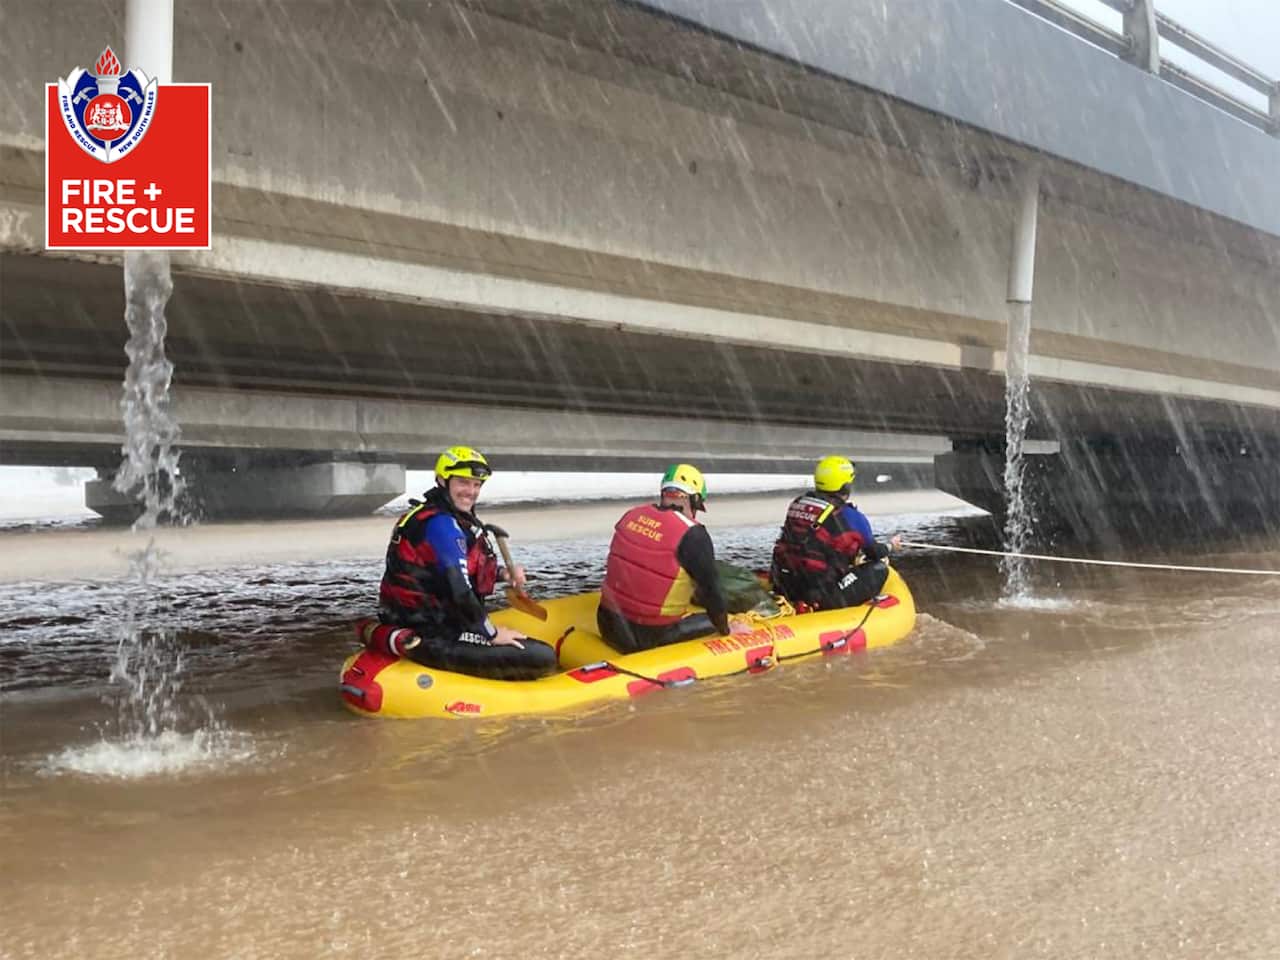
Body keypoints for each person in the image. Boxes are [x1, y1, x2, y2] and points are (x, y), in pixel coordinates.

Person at [372, 445, 557, 680]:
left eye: (476, 485)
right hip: (432, 633)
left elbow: (449, 570)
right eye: (463, 482)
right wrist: (491, 634)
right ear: (442, 480)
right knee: (543, 657)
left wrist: (502, 574)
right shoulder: (442, 525)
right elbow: (459, 588)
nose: (470, 491)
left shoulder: (438, 517)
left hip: (422, 620)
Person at [597, 463, 749, 653]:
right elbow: (712, 593)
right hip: (648, 637)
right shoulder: (694, 535)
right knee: (718, 618)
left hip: (607, 625)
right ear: (694, 500)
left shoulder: (631, 515)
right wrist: (726, 629)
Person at [770, 455, 902, 611]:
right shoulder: (851, 517)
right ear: (846, 486)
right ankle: (833, 608)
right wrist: (890, 546)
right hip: (819, 592)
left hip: (787, 584)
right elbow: (874, 552)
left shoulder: (798, 504)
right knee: (879, 568)